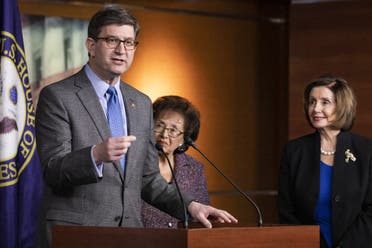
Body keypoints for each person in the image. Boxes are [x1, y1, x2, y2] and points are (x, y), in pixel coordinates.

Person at [35, 6, 237, 247]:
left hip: (130, 235)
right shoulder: (59, 96)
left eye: (129, 43)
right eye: (112, 40)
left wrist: (192, 206)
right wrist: (95, 155)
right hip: (78, 234)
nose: (122, 50)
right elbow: (53, 170)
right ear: (91, 45)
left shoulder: (140, 102)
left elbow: (148, 179)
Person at [278, 76, 372, 248]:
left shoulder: (366, 150)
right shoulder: (294, 151)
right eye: (312, 102)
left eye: (325, 102)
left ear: (341, 106)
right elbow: (286, 210)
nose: (315, 108)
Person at [141, 95, 210, 228]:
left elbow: (202, 213)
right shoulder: (135, 162)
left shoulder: (194, 169)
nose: (164, 135)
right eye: (159, 126)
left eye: (173, 130)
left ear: (184, 138)